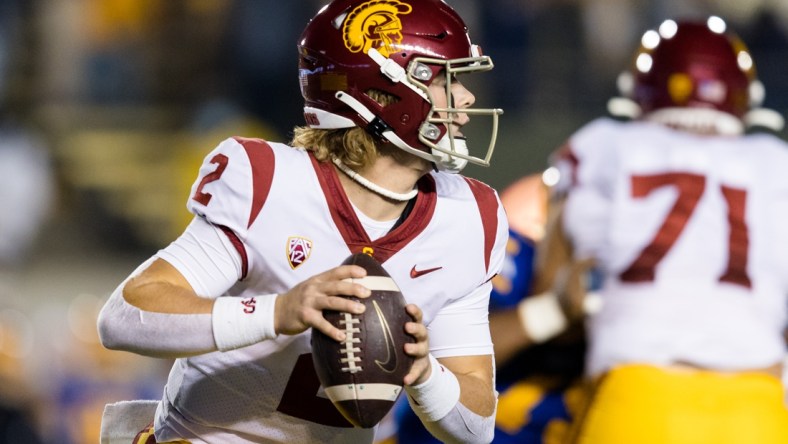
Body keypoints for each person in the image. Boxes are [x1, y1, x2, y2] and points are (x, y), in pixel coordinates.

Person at [96, 0, 506, 443]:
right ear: (381, 92)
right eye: (446, 79)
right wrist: (280, 310)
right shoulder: (268, 181)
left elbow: (477, 427)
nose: (466, 98)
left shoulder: (469, 216)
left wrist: (426, 373)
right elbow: (123, 317)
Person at [544, 16, 788, 444]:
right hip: (756, 407)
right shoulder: (775, 163)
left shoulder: (604, 146)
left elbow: (556, 296)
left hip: (639, 397)